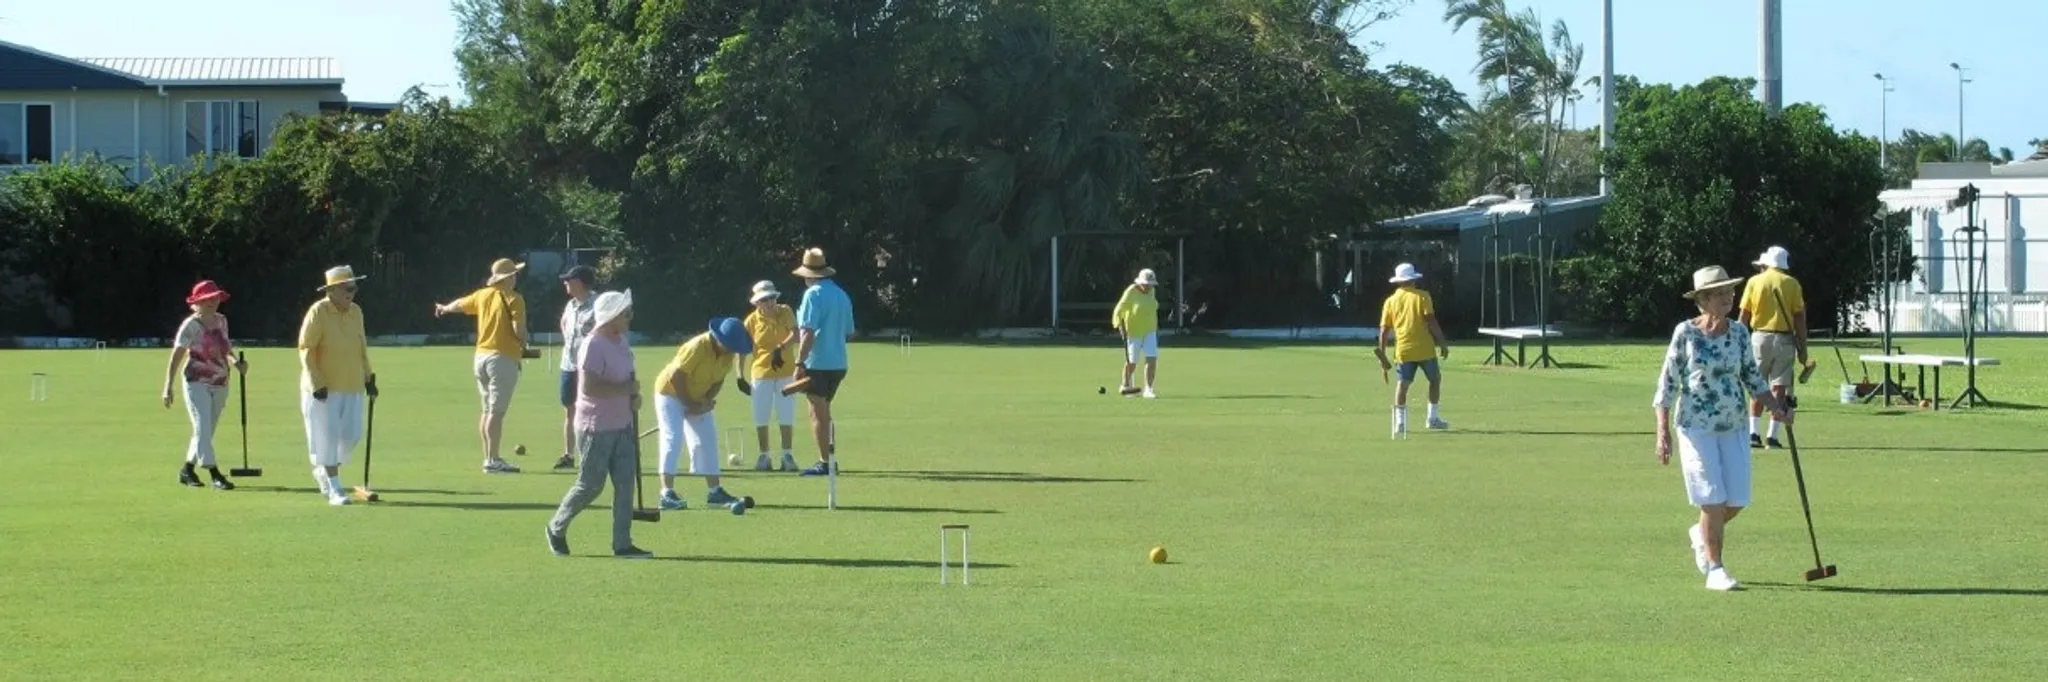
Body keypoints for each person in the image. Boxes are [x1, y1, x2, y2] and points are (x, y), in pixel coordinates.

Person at [1653, 265, 1794, 592]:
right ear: (1702, 300)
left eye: (1729, 292)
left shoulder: (1739, 333)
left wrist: (1777, 409)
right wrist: (1662, 432)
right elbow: (1667, 384)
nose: (1728, 297)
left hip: (1733, 425)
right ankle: (1716, 569)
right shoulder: (1685, 333)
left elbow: (1752, 378)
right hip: (1695, 427)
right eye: (1719, 293)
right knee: (1712, 498)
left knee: (1737, 499)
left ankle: (1700, 532)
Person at [545, 289, 652, 558]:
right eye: (625, 313)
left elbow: (629, 377)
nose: (630, 317)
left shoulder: (622, 342)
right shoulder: (592, 345)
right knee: (590, 485)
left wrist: (634, 397)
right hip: (595, 427)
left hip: (623, 424)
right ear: (612, 316)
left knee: (626, 483)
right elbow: (590, 387)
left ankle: (622, 544)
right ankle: (556, 527)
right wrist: (625, 389)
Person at [433, 258, 531, 474]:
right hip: (502, 358)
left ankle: (489, 457)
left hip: (481, 357)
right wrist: (525, 343)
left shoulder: (483, 295)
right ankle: (493, 460)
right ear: (508, 278)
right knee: (496, 412)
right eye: (514, 274)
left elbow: (459, 304)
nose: (516, 278)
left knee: (487, 410)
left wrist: (444, 308)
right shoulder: (515, 299)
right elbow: (518, 331)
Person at [654, 317, 756, 509]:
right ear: (719, 339)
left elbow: (718, 381)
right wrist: (689, 404)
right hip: (670, 394)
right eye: (730, 345)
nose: (733, 350)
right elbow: (677, 376)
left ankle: (715, 492)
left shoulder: (727, 355)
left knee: (708, 439)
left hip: (696, 396)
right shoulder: (697, 347)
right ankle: (666, 493)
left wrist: (706, 401)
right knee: (672, 439)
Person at [298, 265, 378, 507]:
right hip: (324, 389)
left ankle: (324, 471)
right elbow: (307, 349)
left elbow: (360, 347)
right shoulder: (318, 312)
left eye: (354, 287)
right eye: (347, 288)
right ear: (332, 290)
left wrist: (369, 378)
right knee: (327, 438)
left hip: (352, 385)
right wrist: (316, 381)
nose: (352, 292)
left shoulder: (356, 312)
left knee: (352, 436)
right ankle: (335, 489)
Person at [162, 280, 247, 490]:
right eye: (207, 299)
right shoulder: (190, 325)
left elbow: (225, 348)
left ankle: (187, 470)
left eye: (215, 298)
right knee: (202, 427)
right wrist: (168, 385)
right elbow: (177, 355)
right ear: (197, 303)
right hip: (196, 381)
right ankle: (215, 474)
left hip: (221, 381)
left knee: (206, 431)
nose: (212, 302)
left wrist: (236, 362)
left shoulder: (221, 321)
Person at [1738, 246, 1814, 449]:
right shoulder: (1792, 283)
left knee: (1757, 384)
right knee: (1779, 388)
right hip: (1784, 339)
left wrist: (1738, 339)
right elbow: (1799, 317)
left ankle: (1754, 434)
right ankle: (1772, 436)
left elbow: (1744, 314)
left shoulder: (1754, 281)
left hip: (1759, 337)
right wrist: (1803, 347)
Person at [792, 247, 855, 477]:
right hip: (839, 363)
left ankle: (825, 462)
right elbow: (849, 333)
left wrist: (799, 363)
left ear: (809, 274)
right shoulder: (841, 294)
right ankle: (829, 458)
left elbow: (806, 332)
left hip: (817, 364)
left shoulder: (813, 294)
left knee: (816, 413)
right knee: (825, 411)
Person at [1376, 263, 1451, 435]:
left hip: (1403, 349)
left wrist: (1382, 355)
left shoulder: (1390, 301)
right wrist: (1442, 342)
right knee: (1435, 380)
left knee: (1402, 385)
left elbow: (1384, 330)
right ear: (1412, 279)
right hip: (1424, 348)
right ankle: (1432, 418)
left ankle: (1400, 423)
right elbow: (1431, 320)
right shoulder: (1423, 296)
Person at [742, 280, 801, 471]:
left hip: (786, 372)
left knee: (786, 414)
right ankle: (764, 456)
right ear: (757, 302)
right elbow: (743, 349)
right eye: (765, 299)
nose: (770, 302)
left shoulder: (785, 311)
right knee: (761, 415)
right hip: (760, 373)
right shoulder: (751, 321)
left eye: (772, 297)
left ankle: (787, 455)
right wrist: (738, 375)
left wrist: (781, 347)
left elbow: (796, 334)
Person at [554, 265, 599, 472]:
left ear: (580, 282)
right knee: (570, 409)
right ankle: (568, 454)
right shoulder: (571, 305)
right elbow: (564, 324)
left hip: (589, 367)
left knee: (589, 410)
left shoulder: (597, 305)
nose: (565, 283)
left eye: (569, 280)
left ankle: (590, 454)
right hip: (568, 365)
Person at [1111, 268, 1162, 399]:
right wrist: (1118, 325)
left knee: (1152, 359)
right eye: (1146, 284)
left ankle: (1148, 389)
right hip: (1133, 331)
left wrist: (1156, 328)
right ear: (1140, 283)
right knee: (1132, 362)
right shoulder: (1131, 291)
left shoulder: (1152, 292)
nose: (1148, 287)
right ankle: (1125, 385)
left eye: (1150, 284)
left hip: (1150, 330)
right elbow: (1119, 309)